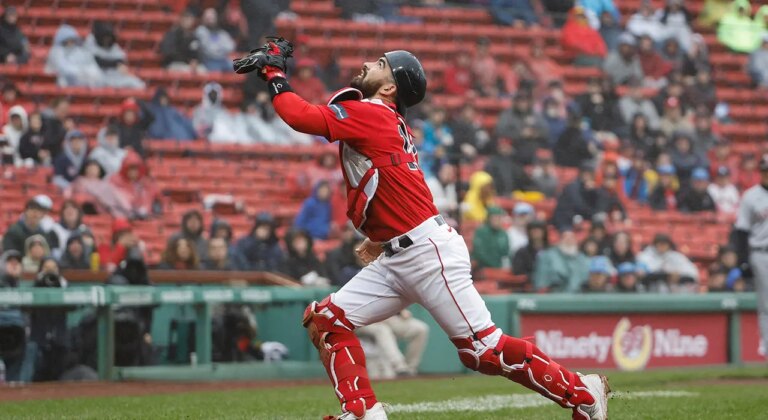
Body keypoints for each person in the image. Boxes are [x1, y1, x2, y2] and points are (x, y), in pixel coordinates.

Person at [232, 41, 609, 419]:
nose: (367, 63)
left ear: (391, 87)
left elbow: (301, 117)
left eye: (379, 63)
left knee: (482, 350)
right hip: (401, 252)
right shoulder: (380, 118)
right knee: (328, 319)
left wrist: (275, 74)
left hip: (427, 254)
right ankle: (363, 412)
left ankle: (584, 393)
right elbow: (395, 185)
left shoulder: (373, 114)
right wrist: (380, 238)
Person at [733, 154, 768, 354]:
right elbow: (741, 231)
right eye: (765, 171)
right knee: (766, 302)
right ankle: (766, 345)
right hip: (760, 252)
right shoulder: (750, 196)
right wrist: (743, 260)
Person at [356, 310, 429, 378]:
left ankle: (410, 369)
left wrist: (402, 311)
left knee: (421, 328)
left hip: (388, 318)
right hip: (363, 321)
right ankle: (400, 367)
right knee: (382, 329)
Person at [83, 21, 145, 89]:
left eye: (108, 38)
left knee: (137, 84)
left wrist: (117, 64)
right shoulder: (90, 42)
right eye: (104, 38)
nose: (106, 40)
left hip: (113, 76)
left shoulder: (113, 46)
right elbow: (97, 61)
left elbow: (121, 61)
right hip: (96, 78)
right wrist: (115, 63)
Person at [552, 166, 611, 231]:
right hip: (571, 221)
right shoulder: (571, 188)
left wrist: (594, 191)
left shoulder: (598, 189)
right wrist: (573, 216)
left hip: (591, 219)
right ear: (581, 175)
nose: (587, 177)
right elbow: (564, 208)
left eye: (589, 175)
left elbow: (604, 203)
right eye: (585, 174)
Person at [108, 151, 160, 220]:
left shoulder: (146, 184)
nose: (133, 172)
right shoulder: (115, 181)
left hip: (144, 218)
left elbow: (157, 197)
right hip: (123, 218)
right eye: (131, 169)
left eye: (135, 169)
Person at [159, 9, 205, 73]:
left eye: (190, 19)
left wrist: (195, 61)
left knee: (202, 70)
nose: (187, 21)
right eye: (185, 19)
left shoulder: (193, 37)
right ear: (181, 20)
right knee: (186, 71)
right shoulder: (172, 34)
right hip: (174, 63)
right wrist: (188, 61)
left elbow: (198, 52)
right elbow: (168, 51)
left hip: (189, 65)